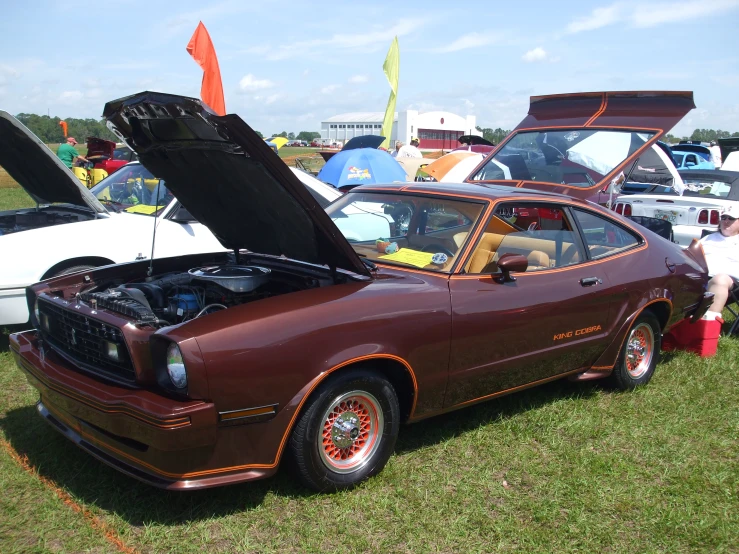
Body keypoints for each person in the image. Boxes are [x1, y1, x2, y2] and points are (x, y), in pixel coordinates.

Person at [699, 204, 739, 319]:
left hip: (731, 283)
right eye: (724, 218)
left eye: (731, 218)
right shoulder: (708, 238)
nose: (726, 221)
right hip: (701, 278)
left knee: (719, 279)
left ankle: (709, 326)